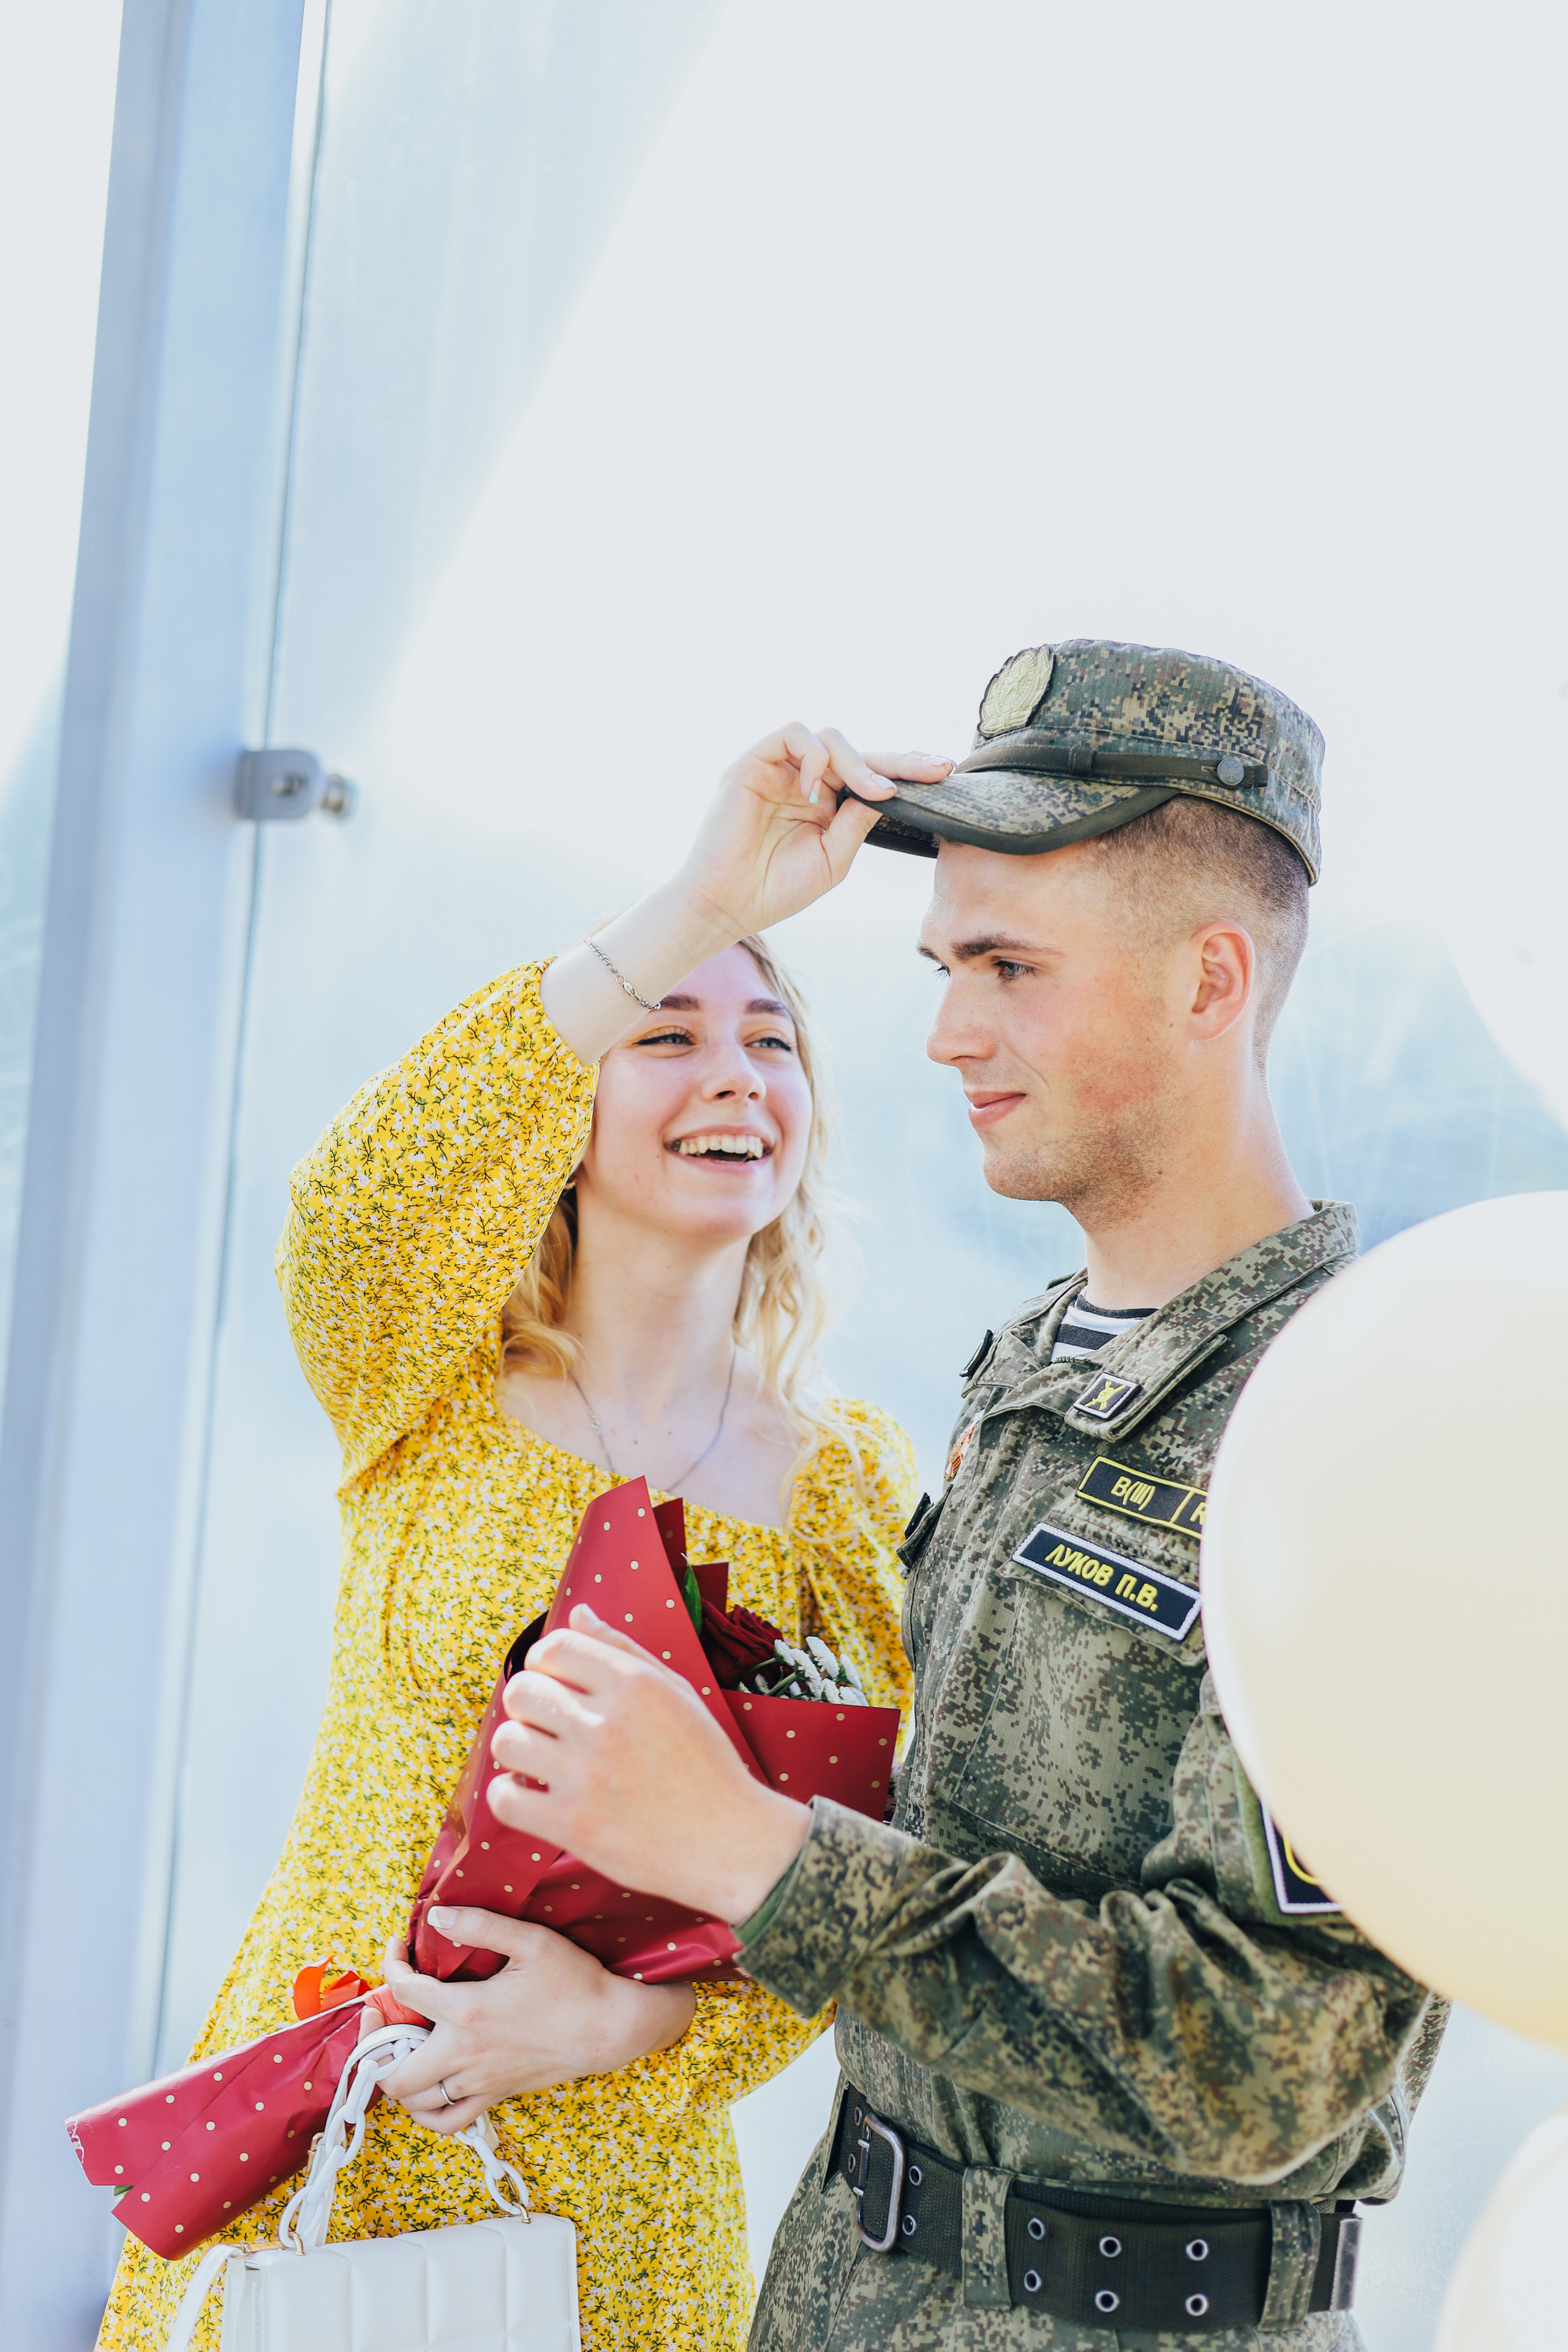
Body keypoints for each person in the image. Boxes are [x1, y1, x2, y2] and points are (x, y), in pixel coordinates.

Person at [483, 641, 1448, 2348]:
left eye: (1010, 967)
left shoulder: (1363, 1426)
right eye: (945, 966)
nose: (945, 1034)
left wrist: (751, 1850)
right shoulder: (1030, 1367)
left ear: (1211, 980)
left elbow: (1269, 2060)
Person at [97, 725, 951, 2352]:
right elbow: (365, 1200)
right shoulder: (424, 1380)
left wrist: (631, 2023)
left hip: (618, 2222)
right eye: (668, 1033)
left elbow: (858, 1879)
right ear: (562, 1105)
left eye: (772, 1043)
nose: (733, 1075)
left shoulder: (845, 1486)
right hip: (324, 2161)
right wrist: (705, 900)